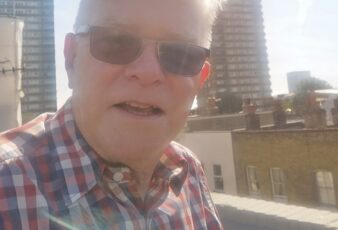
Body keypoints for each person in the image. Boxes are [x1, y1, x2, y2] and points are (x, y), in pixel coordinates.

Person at [0, 0, 224, 229]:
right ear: (71, 58)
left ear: (200, 80)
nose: (148, 73)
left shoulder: (190, 172)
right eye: (116, 41)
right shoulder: (6, 184)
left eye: (181, 54)